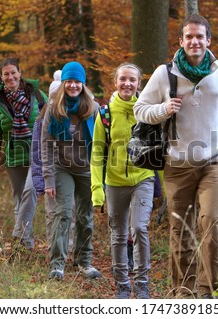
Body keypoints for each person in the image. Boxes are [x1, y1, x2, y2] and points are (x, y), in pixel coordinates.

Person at [133, 14, 218, 298]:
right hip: (177, 164)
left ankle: (210, 292)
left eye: (200, 36)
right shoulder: (166, 73)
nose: (194, 41)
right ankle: (184, 294)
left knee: (212, 223)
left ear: (208, 40)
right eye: (189, 36)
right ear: (181, 41)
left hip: (214, 162)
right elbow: (140, 109)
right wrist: (163, 109)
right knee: (182, 231)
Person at [91, 63, 155, 299]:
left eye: (132, 80)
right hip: (115, 182)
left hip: (143, 178)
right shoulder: (105, 114)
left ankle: (141, 284)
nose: (127, 83)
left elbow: (161, 149)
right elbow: (97, 154)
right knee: (118, 235)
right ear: (115, 82)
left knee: (139, 228)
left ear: (139, 84)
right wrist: (97, 190)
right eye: (123, 79)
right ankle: (122, 286)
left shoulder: (147, 112)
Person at [41, 61, 102, 281]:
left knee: (85, 216)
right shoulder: (53, 108)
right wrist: (48, 179)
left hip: (87, 168)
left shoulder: (93, 109)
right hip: (61, 167)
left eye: (77, 81)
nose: (73, 86)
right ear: (63, 82)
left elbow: (101, 143)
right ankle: (57, 264)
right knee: (63, 213)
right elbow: (46, 144)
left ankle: (83, 261)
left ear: (83, 84)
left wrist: (100, 175)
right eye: (69, 81)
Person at [0, 57, 47, 250]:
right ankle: (25, 245)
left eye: (13, 72)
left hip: (36, 153)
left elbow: (52, 122)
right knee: (19, 199)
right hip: (13, 156)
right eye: (6, 74)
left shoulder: (37, 95)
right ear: (1, 77)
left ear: (20, 73)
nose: (10, 76)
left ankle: (17, 233)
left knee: (31, 191)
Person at [31, 70, 75, 252]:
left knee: (70, 211)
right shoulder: (42, 120)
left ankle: (70, 248)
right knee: (52, 213)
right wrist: (40, 180)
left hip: (70, 171)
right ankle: (53, 248)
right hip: (50, 172)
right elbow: (37, 152)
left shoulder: (73, 118)